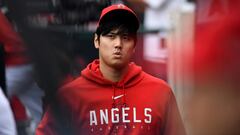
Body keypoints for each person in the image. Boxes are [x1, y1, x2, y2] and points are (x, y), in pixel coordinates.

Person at [37, 4, 185, 135]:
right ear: (97, 41)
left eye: (125, 37)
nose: (118, 44)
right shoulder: (70, 97)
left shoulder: (160, 92)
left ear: (134, 45)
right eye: (111, 36)